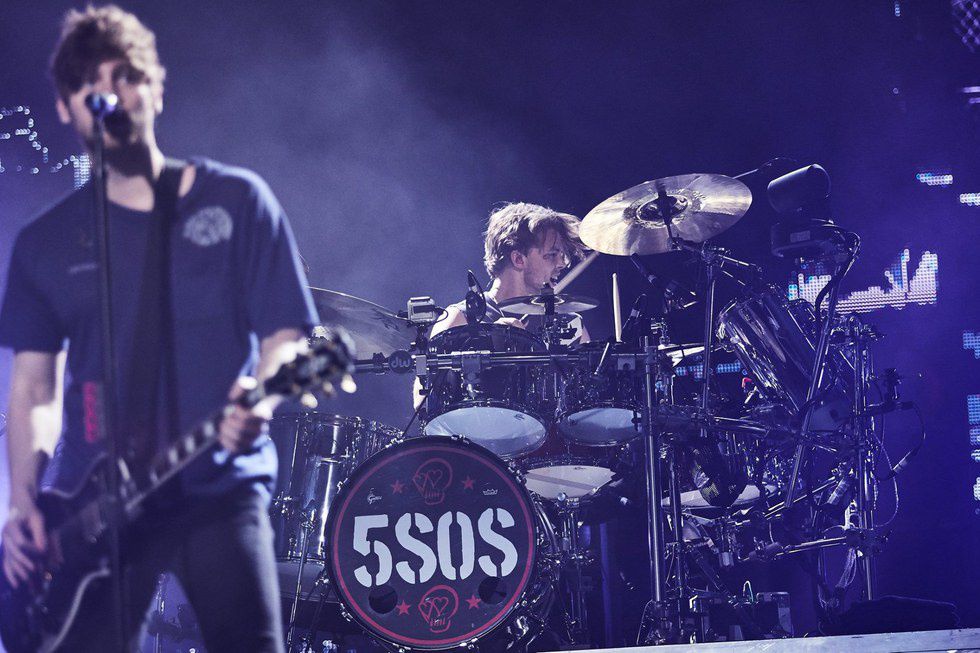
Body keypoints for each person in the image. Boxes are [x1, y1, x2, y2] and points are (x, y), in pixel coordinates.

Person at [0, 6, 315, 651]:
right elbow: (34, 389)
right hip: (93, 505)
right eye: (89, 84)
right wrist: (25, 501)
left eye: (126, 76)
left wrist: (261, 399)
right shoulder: (44, 243)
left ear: (156, 87)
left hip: (218, 486)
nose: (109, 95)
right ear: (64, 107)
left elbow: (288, 339)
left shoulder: (238, 202)